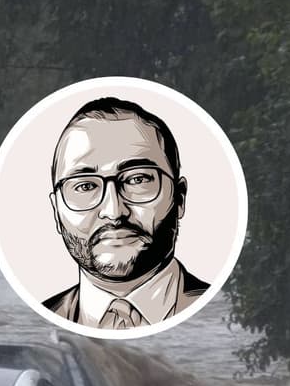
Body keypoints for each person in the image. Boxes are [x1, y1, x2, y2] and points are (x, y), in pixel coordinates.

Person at [43, 97, 208, 330]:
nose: (114, 212)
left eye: (137, 179)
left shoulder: (215, 312)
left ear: (179, 198)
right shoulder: (40, 322)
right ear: (56, 211)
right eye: (85, 186)